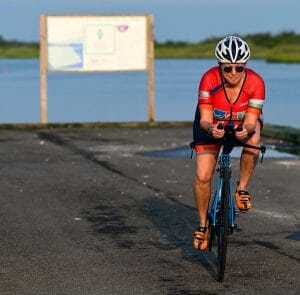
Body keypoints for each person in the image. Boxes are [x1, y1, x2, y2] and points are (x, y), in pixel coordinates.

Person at [192, 35, 265, 251]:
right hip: (212, 125)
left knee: (254, 138)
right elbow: (205, 119)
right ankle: (203, 225)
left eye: (239, 68)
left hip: (243, 123)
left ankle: (241, 189)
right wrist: (210, 129)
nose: (233, 73)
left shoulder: (256, 83)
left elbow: (251, 121)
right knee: (202, 176)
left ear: (245, 67)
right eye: (227, 68)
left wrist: (245, 131)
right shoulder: (208, 79)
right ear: (219, 66)